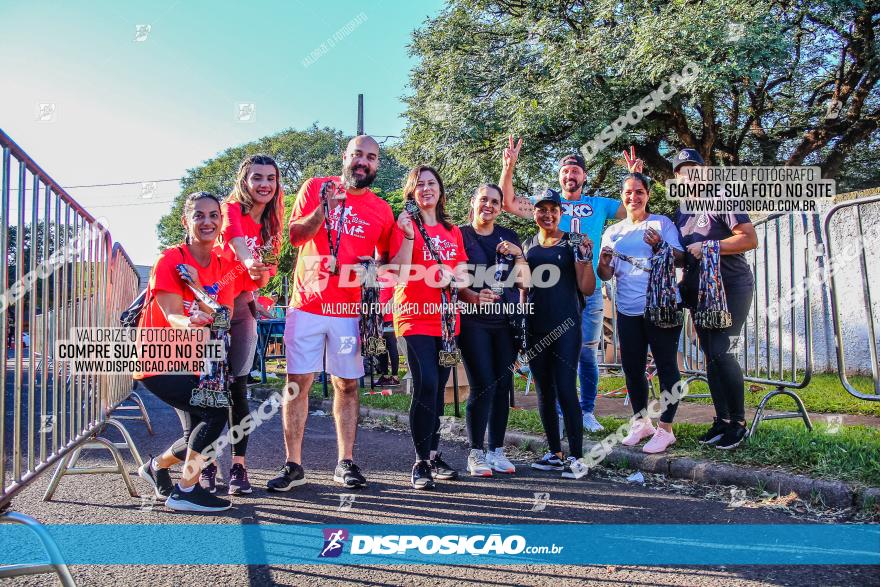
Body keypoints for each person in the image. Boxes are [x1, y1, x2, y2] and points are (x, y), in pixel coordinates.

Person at [271, 135, 404, 492]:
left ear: (377, 165)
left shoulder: (381, 209)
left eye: (371, 157)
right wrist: (323, 210)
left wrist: (369, 270)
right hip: (308, 306)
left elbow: (389, 264)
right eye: (358, 154)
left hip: (349, 312)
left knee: (346, 385)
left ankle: (345, 462)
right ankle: (293, 465)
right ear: (345, 157)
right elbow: (296, 236)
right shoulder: (316, 187)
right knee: (297, 385)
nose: (364, 162)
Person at [500, 137, 625, 432]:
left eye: (576, 171)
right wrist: (509, 167)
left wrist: (632, 176)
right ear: (560, 177)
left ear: (584, 176)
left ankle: (587, 411)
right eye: (566, 171)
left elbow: (634, 207)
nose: (571, 176)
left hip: (587, 287)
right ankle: (557, 410)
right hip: (554, 290)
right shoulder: (548, 204)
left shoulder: (599, 205)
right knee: (555, 350)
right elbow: (508, 202)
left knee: (586, 352)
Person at [135, 191, 236, 512]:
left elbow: (224, 315)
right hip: (158, 358)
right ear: (186, 221)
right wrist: (191, 322)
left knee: (199, 429)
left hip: (197, 361)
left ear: (222, 222)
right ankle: (186, 490)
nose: (207, 221)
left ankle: (157, 467)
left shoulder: (224, 265)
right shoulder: (170, 260)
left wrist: (200, 291)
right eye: (199, 215)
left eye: (213, 215)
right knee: (215, 412)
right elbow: (172, 314)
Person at [202, 154, 284, 496]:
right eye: (257, 178)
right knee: (207, 385)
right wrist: (249, 260)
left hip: (241, 305)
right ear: (244, 181)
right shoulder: (230, 208)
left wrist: (255, 286)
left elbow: (266, 274)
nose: (264, 184)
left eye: (270, 178)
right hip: (210, 304)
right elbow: (234, 238)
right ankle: (203, 462)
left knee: (237, 385)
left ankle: (238, 465)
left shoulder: (272, 225)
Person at [672, 148, 758, 450]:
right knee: (710, 353)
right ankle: (721, 421)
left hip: (731, 287)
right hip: (699, 291)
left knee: (722, 350)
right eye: (682, 170)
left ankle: (739, 423)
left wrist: (711, 245)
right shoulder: (682, 212)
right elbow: (686, 257)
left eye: (693, 168)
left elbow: (749, 238)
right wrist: (667, 252)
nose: (689, 175)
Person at [390, 165, 468, 490]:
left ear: (440, 190)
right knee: (426, 384)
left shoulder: (453, 230)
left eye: (431, 183)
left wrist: (455, 278)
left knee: (439, 390)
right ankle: (420, 462)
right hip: (414, 315)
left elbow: (464, 272)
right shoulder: (405, 225)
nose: (426, 189)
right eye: (419, 184)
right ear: (412, 192)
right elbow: (403, 272)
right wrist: (408, 234)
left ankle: (434, 455)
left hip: (448, 323)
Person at [598, 173, 685, 453]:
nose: (633, 197)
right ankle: (641, 422)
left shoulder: (662, 223)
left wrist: (660, 244)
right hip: (627, 309)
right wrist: (603, 261)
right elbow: (605, 273)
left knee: (666, 366)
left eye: (638, 192)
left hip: (660, 307)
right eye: (628, 192)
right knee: (632, 368)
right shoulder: (613, 232)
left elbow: (681, 257)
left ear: (647, 194)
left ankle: (666, 429)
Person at [457, 184, 530, 477]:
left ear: (501, 207)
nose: (489, 205)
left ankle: (496, 451)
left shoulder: (509, 237)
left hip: (505, 322)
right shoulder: (460, 235)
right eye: (484, 199)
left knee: (503, 385)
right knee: (483, 384)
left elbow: (526, 283)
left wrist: (519, 254)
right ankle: (475, 453)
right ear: (473, 202)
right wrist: (474, 295)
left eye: (495, 202)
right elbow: (454, 280)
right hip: (474, 321)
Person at [523, 190, 595, 480]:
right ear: (535, 213)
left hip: (566, 327)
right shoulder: (528, 245)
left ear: (561, 213)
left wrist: (587, 259)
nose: (548, 214)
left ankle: (578, 456)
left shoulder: (574, 241)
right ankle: (555, 452)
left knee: (566, 388)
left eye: (553, 209)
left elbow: (587, 288)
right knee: (544, 391)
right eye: (542, 209)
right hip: (534, 326)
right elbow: (523, 287)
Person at [375, 273, 400, 387]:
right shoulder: (374, 277)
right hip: (376, 318)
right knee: (380, 347)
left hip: (388, 317)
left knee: (391, 346)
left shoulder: (391, 276)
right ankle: (384, 375)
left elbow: (395, 297)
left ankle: (395, 377)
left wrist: (383, 312)